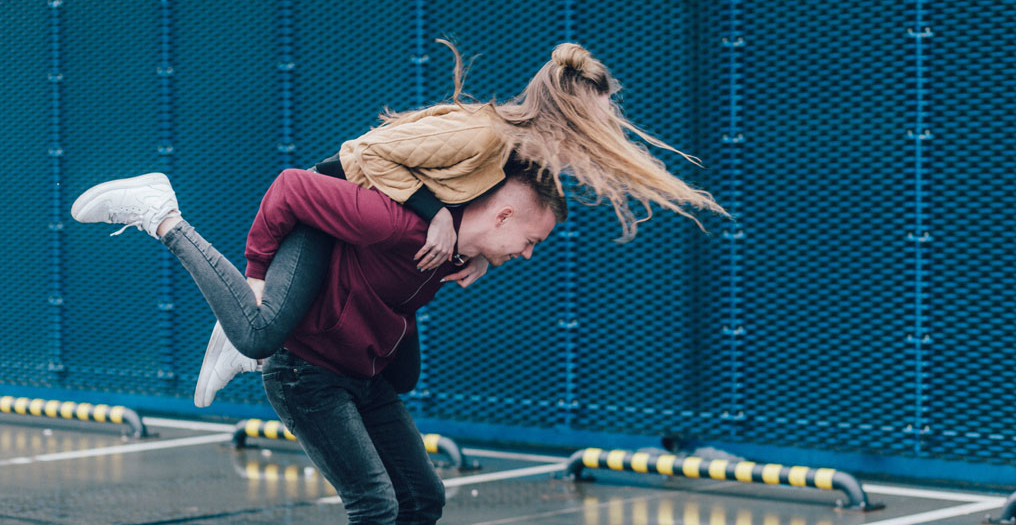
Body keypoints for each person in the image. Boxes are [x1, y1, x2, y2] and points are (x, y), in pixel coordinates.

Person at [185, 40, 729, 407]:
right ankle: (214, 293)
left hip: (371, 227)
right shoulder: (486, 135)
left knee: (397, 377)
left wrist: (486, 254)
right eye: (607, 111)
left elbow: (492, 217)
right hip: (330, 205)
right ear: (574, 111)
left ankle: (242, 334)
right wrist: (434, 213)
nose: (612, 123)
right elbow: (364, 153)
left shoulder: (523, 159)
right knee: (261, 331)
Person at [71, 164, 567, 524]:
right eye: (531, 241)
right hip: (306, 373)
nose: (526, 255)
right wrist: (258, 280)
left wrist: (472, 256)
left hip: (363, 375)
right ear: (503, 216)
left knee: (422, 497)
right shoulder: (394, 223)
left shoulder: (454, 252)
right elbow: (291, 185)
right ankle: (164, 219)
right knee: (375, 505)